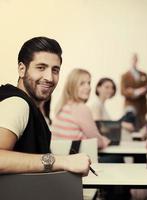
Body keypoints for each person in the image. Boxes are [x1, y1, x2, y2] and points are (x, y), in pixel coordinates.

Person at [0, 37, 90, 176]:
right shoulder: (17, 104)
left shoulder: (29, 106)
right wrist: (62, 161)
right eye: (41, 68)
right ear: (21, 69)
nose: (49, 77)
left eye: (55, 70)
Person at [51, 69, 110, 149]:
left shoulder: (63, 106)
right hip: (76, 159)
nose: (88, 87)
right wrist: (104, 141)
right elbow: (98, 143)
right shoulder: (81, 108)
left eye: (88, 83)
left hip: (63, 158)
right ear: (72, 86)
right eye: (82, 83)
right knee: (118, 158)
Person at [121, 53, 147, 129]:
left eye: (136, 59)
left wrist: (145, 89)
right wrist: (133, 92)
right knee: (131, 124)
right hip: (130, 105)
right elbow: (123, 91)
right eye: (133, 59)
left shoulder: (144, 74)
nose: (134, 61)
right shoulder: (125, 76)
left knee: (142, 126)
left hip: (142, 106)